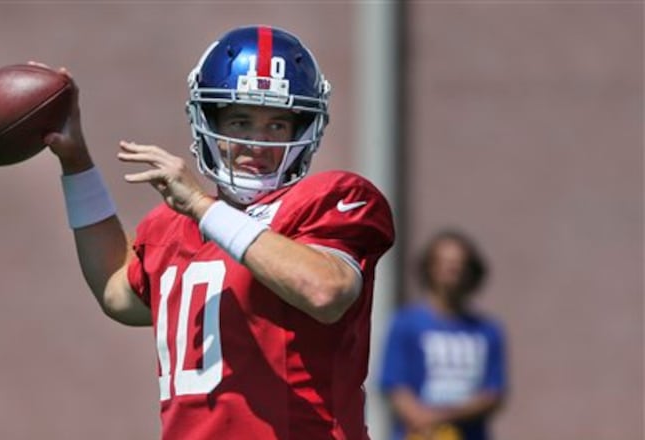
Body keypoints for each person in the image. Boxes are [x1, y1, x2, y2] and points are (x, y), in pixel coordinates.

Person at [43, 25, 394, 439]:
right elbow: (115, 292)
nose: (257, 143)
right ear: (205, 121)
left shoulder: (328, 198)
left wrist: (202, 208)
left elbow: (325, 291)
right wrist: (75, 160)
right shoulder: (172, 226)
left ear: (303, 132)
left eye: (277, 125)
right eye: (241, 122)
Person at [378, 231, 507, 440]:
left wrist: (440, 416)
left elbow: (494, 394)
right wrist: (422, 419)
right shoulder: (405, 324)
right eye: (445, 262)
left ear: (471, 271)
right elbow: (393, 385)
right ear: (429, 267)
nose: (453, 269)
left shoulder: (488, 330)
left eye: (460, 263)